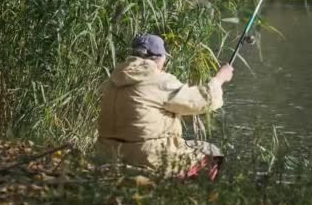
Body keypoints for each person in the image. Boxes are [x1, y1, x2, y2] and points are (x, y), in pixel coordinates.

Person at [96, 34, 234, 180]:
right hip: (147, 157)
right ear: (158, 58)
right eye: (164, 58)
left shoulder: (112, 80)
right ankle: (195, 197)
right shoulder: (159, 81)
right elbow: (201, 100)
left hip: (108, 153)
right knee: (212, 152)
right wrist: (219, 79)